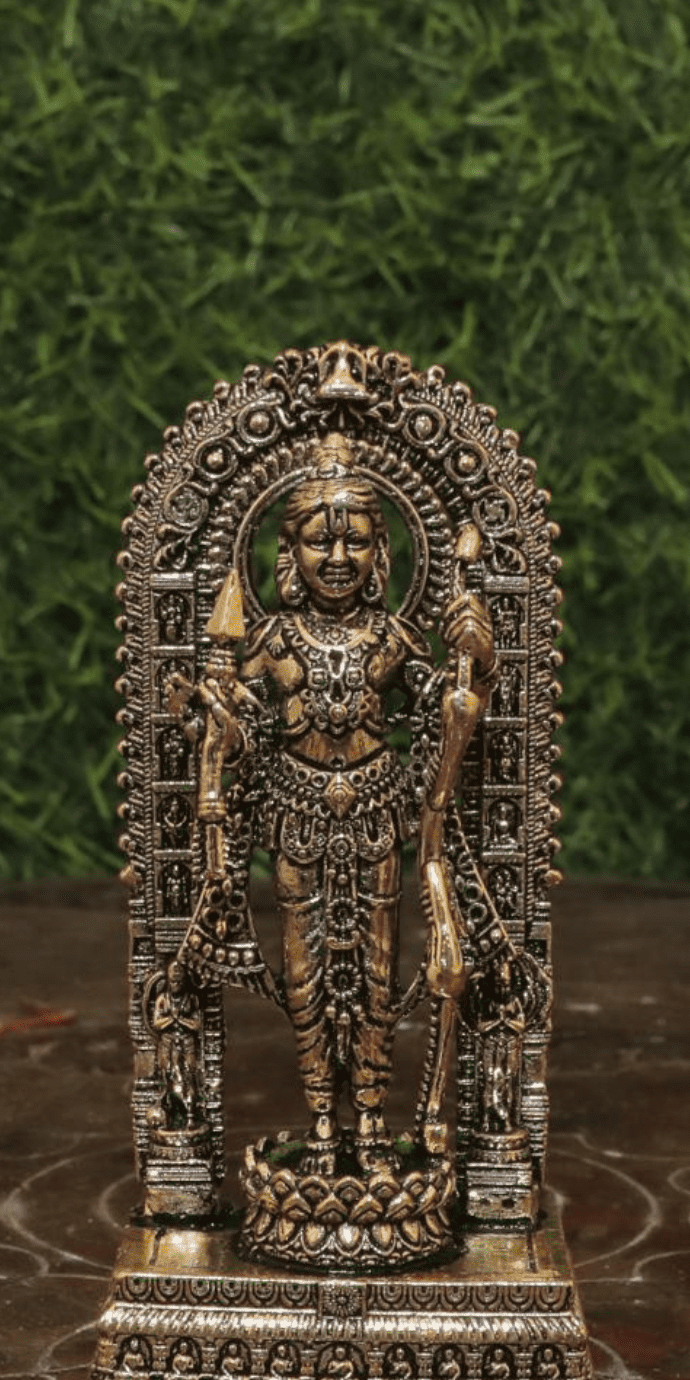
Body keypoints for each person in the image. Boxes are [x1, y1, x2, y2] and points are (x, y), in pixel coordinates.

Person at [177, 433, 494, 1171]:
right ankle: (322, 1120)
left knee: (378, 976)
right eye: (321, 541)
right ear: (289, 554)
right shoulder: (272, 640)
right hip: (297, 815)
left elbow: (447, 711)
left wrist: (477, 662)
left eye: (356, 541)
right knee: (306, 977)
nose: (340, 557)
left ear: (382, 554)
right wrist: (218, 722)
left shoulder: (394, 636)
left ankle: (374, 1121)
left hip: (379, 814)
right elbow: (240, 728)